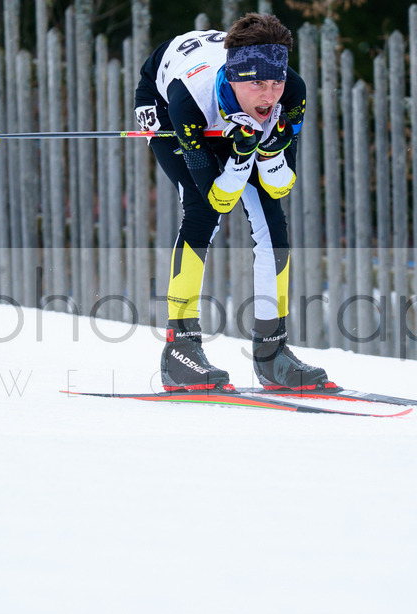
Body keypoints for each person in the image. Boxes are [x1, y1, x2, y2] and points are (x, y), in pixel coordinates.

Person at [134, 12, 330, 392]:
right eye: (257, 83)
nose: (269, 95)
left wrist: (271, 152)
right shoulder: (187, 100)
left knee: (272, 220)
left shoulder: (291, 93)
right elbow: (219, 198)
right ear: (236, 75)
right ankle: (180, 351)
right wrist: (241, 156)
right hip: (167, 101)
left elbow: (279, 186)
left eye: (275, 81)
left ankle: (273, 353)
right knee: (202, 210)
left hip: (221, 108)